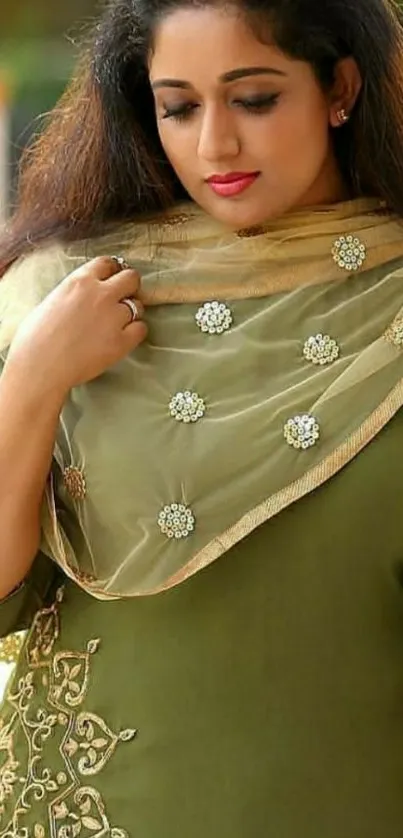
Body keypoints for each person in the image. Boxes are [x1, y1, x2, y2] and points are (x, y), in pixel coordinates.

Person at [0, 0, 403, 834]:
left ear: (340, 88)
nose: (214, 145)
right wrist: (35, 379)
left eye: (253, 99)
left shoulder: (391, 314)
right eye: (179, 107)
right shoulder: (65, 295)